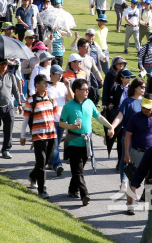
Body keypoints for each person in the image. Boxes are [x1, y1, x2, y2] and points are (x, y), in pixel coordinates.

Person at [60, 78, 113, 206]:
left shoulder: (89, 103)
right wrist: (71, 127)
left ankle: (72, 190)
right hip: (73, 142)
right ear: (77, 91)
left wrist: (110, 126)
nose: (87, 91)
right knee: (78, 171)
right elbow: (61, 123)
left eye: (88, 89)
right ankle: (85, 195)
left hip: (87, 143)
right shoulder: (68, 106)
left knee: (79, 168)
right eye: (85, 89)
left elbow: (98, 117)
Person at [122, 94, 152, 215]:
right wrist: (127, 153)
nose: (144, 109)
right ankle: (130, 204)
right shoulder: (135, 118)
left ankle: (151, 204)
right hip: (137, 152)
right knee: (133, 178)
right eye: (143, 107)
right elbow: (128, 135)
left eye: (147, 108)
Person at [19, 73, 57, 199]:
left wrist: (68, 125)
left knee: (45, 161)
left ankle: (32, 176)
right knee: (41, 162)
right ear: (37, 85)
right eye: (44, 83)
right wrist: (22, 135)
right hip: (38, 135)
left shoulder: (51, 98)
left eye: (48, 83)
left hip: (52, 135)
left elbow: (58, 115)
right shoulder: (31, 100)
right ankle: (42, 190)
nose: (47, 85)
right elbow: (25, 120)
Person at [46, 64, 73, 176]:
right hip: (50, 119)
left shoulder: (63, 85)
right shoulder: (46, 87)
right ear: (51, 74)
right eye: (58, 74)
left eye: (61, 73)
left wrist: (68, 86)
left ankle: (50, 162)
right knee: (55, 143)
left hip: (61, 119)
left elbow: (71, 98)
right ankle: (57, 165)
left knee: (54, 143)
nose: (60, 76)